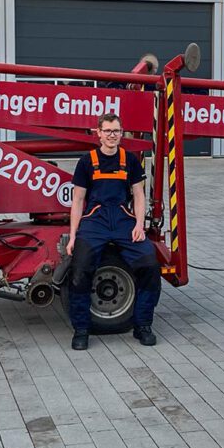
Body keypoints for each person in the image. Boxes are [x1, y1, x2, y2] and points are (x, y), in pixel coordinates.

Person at [65, 112, 161, 351]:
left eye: (116, 131)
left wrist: (139, 225)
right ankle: (82, 330)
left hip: (123, 221)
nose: (111, 135)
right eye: (107, 130)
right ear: (98, 133)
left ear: (121, 133)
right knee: (79, 271)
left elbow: (139, 195)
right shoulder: (86, 162)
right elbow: (78, 200)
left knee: (149, 264)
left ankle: (143, 325)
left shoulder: (130, 160)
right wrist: (74, 235)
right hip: (94, 222)